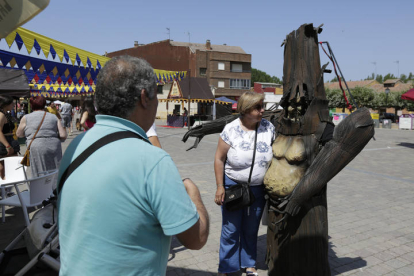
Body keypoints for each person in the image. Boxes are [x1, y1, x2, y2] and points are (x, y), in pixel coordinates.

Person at [57, 55, 209, 276]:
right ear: (145, 97)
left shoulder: (76, 146)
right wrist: (194, 196)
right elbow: (197, 239)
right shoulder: (152, 160)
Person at [214, 91, 275, 276]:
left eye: (262, 106)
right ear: (246, 109)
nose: (262, 110)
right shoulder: (231, 129)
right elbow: (219, 158)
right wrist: (219, 186)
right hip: (233, 187)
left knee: (251, 228)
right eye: (258, 107)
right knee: (231, 230)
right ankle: (227, 267)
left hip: (258, 189)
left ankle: (249, 264)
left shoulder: (268, 127)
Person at [16, 96, 67, 178]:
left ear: (31, 105)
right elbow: (63, 135)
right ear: (44, 104)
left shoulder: (26, 118)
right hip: (54, 145)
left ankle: (40, 189)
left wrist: (30, 135)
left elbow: (19, 134)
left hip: (36, 146)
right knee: (55, 171)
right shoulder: (53, 117)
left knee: (39, 172)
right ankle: (54, 189)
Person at [0, 95, 20, 179]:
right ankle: (4, 189)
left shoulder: (5, 114)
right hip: (4, 143)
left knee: (9, 167)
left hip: (8, 141)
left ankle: (5, 190)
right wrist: (7, 146)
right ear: (6, 104)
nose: (13, 105)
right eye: (12, 103)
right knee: (4, 168)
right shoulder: (1, 115)